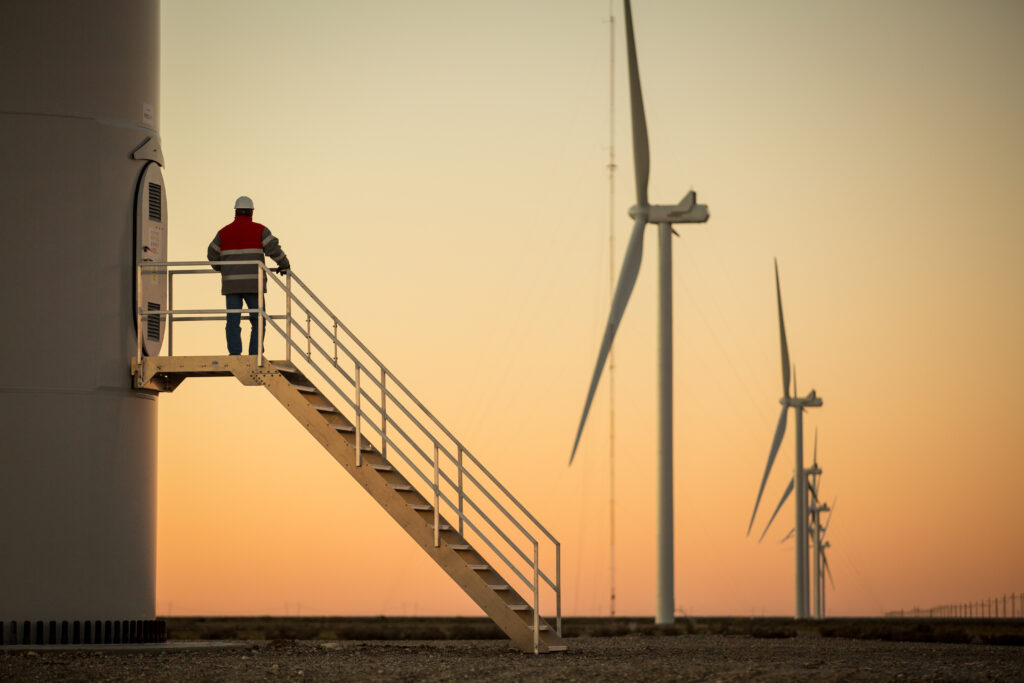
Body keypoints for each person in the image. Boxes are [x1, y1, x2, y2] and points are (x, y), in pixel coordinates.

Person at [207, 196, 291, 355]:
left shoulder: (223, 233)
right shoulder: (260, 230)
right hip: (254, 284)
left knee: (233, 320)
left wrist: (223, 269)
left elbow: (211, 253)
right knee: (258, 319)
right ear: (252, 212)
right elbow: (274, 249)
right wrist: (284, 265)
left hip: (231, 285)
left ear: (235, 212)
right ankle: (255, 353)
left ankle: (234, 354)